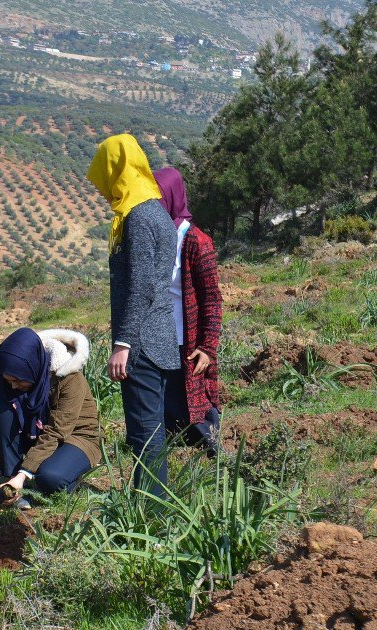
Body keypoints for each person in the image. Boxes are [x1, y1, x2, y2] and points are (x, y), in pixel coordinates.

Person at [86, 134, 179, 496]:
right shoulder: (156, 210)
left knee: (144, 434)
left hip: (142, 343)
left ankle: (150, 516)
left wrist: (123, 342)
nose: (101, 190)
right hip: (158, 336)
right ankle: (155, 507)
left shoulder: (138, 216)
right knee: (151, 431)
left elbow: (141, 285)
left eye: (103, 179)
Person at [0, 328, 102, 508]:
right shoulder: (15, 383)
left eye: (18, 380)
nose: (14, 385)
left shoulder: (68, 377)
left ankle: (62, 472)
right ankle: (14, 484)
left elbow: (58, 430)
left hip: (76, 436)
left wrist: (24, 473)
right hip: (39, 432)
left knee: (50, 479)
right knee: (3, 411)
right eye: (9, 380)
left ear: (31, 368)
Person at [155, 167, 222, 456]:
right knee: (170, 396)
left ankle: (212, 447)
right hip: (161, 334)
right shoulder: (157, 236)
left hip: (189, 336)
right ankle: (178, 447)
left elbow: (212, 299)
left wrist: (207, 347)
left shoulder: (196, 241)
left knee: (195, 395)